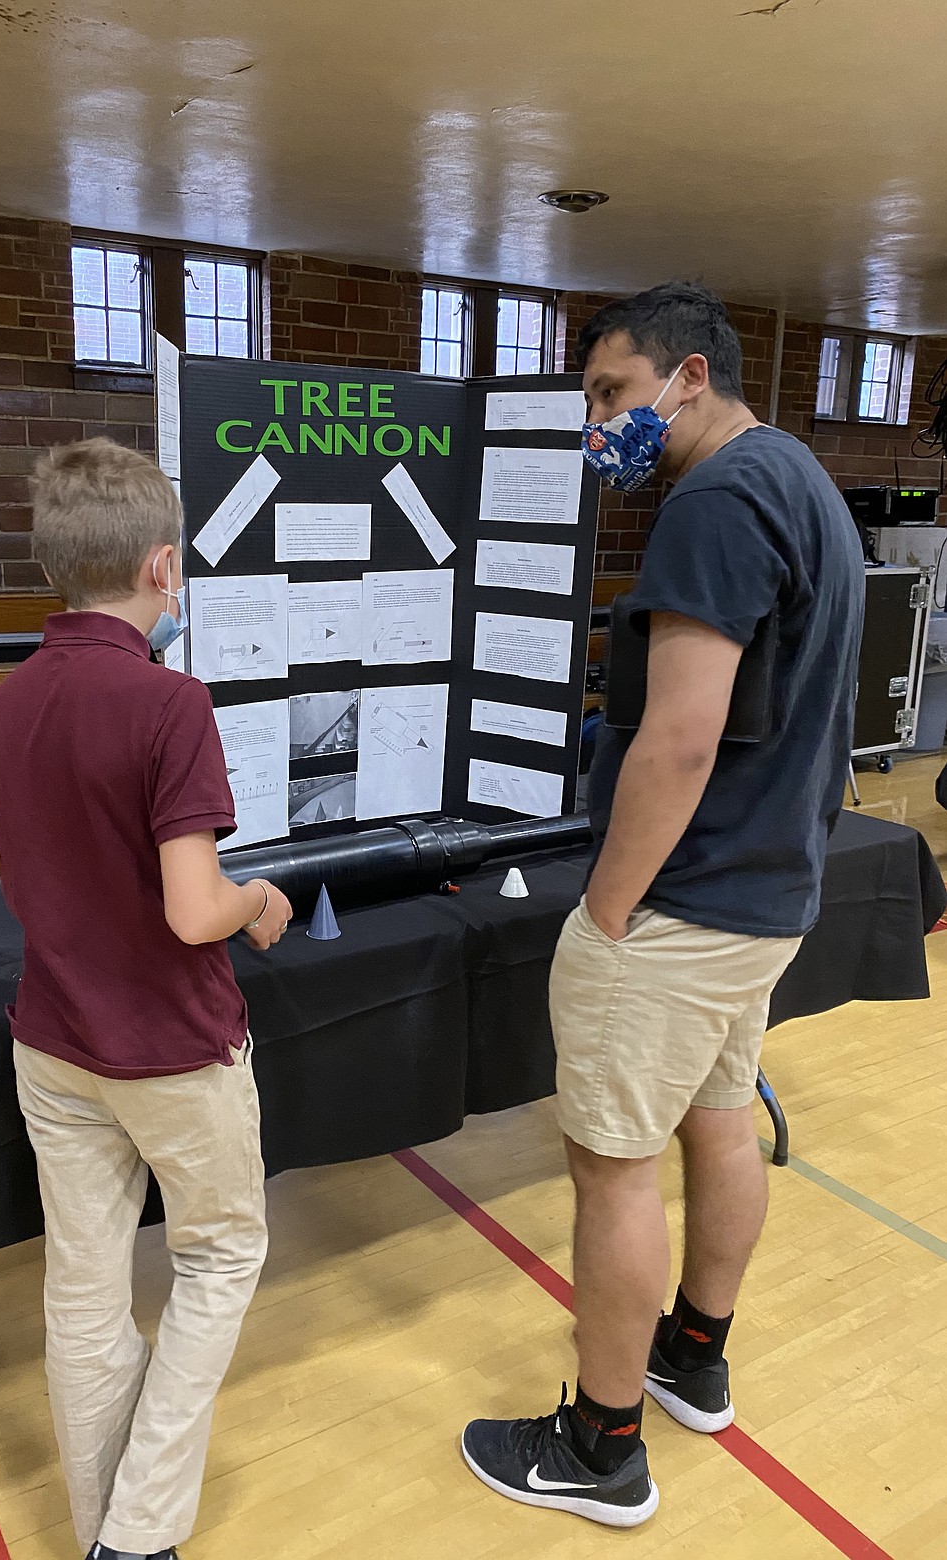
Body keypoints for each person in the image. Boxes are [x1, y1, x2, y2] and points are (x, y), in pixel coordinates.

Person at [461, 283, 864, 1527]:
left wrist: (610, 912)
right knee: (722, 1120)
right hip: (771, 889)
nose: (597, 424)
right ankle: (695, 1355)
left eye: (611, 394)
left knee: (613, 1164)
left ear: (690, 378)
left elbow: (679, 741)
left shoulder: (716, 501)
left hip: (682, 908)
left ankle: (601, 1444)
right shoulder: (802, 480)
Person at [0, 438, 292, 1560]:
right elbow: (190, 910)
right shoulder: (169, 704)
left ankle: (99, 1524)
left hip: (53, 1046)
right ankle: (139, 1532)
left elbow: (20, 882)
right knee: (219, 1259)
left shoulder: (6, 706)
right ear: (164, 565)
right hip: (169, 1050)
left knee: (86, 1287)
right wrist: (257, 897)